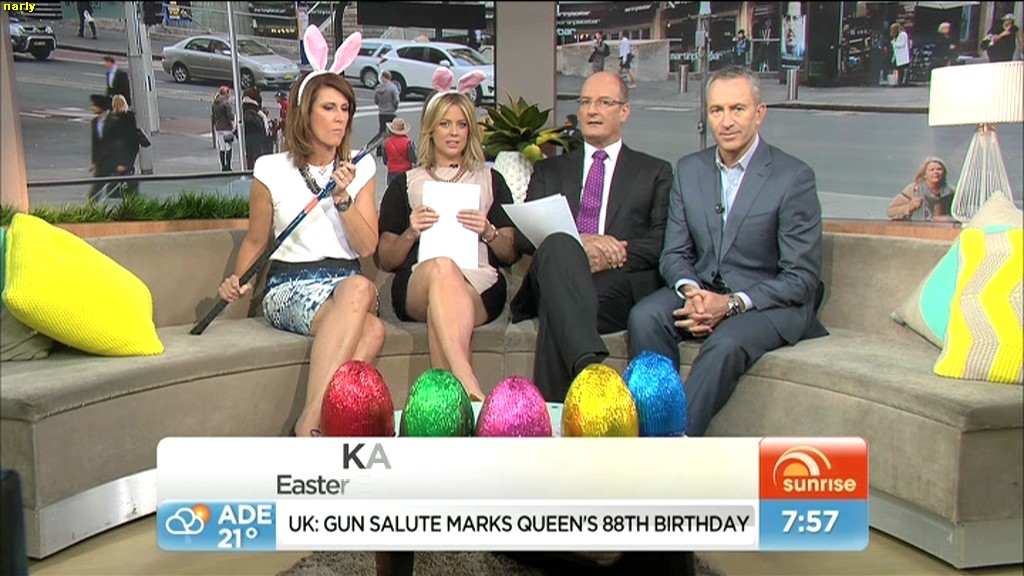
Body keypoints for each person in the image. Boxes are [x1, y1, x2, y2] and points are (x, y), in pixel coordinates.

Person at [628, 65, 827, 437]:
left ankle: (677, 441)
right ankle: (653, 423)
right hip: (704, 289)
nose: (727, 121)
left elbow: (801, 278)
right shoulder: (689, 170)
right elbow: (674, 253)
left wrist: (731, 304)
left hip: (769, 303)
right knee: (644, 317)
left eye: (738, 109)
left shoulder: (793, 177)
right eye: (717, 110)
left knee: (725, 343)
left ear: (759, 113)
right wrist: (693, 293)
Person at [217, 42, 384, 438]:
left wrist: (342, 197)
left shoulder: (360, 169)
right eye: (329, 108)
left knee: (366, 307)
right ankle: (318, 421)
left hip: (346, 283)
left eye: (345, 109)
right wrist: (238, 282)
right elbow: (256, 241)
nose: (340, 118)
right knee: (370, 325)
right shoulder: (271, 169)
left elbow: (367, 247)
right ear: (304, 113)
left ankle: (311, 422)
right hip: (289, 285)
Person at [510, 71, 673, 401]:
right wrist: (580, 243)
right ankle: (589, 368)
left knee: (560, 306)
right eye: (585, 102)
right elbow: (524, 237)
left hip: (615, 284)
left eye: (603, 102)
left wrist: (614, 253)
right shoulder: (550, 170)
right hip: (556, 274)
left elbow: (661, 239)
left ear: (624, 111)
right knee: (560, 244)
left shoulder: (654, 171)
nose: (592, 110)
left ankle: (555, 409)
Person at [377, 84, 518, 401]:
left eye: (461, 124)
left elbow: (509, 252)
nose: (454, 133)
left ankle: (451, 407)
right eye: (445, 124)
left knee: (441, 308)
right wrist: (411, 231)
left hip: (479, 283)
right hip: (419, 280)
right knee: (443, 267)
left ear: (470, 131)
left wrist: (489, 232)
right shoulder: (405, 184)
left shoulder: (491, 180)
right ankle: (467, 379)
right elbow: (386, 258)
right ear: (431, 129)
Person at [886, 157, 955, 222]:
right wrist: (909, 207)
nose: (936, 172)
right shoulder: (913, 189)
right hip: (916, 228)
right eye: (932, 170)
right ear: (924, 174)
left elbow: (959, 214)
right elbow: (890, 211)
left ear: (944, 173)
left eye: (939, 169)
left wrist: (949, 219)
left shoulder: (951, 191)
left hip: (943, 229)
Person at [105, 94, 141, 199]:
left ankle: (115, 192)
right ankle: (131, 193)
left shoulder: (111, 117)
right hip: (129, 149)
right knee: (128, 172)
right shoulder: (130, 116)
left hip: (116, 151)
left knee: (116, 172)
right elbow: (132, 135)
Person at [86, 94, 114, 204]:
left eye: (94, 105)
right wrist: (94, 162)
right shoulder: (94, 122)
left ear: (101, 106)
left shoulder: (113, 120)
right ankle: (91, 207)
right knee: (97, 187)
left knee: (118, 187)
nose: (92, 108)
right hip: (101, 162)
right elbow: (95, 144)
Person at [382, 116, 416, 186]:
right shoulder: (408, 142)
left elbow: (385, 160)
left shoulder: (386, 142)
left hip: (392, 171)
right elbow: (413, 159)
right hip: (405, 170)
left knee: (392, 189)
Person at [374, 71, 401, 158]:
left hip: (381, 113)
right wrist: (394, 107)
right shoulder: (393, 87)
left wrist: (381, 105)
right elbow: (396, 100)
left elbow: (376, 100)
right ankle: (391, 150)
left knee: (382, 131)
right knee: (392, 132)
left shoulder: (378, 88)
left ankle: (379, 150)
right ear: (389, 77)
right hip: (391, 112)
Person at [211, 86, 235, 171]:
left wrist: (214, 124)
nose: (229, 95)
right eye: (228, 93)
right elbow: (230, 116)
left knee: (222, 147)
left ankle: (223, 166)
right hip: (227, 128)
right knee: (228, 147)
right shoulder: (226, 104)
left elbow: (213, 116)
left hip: (219, 128)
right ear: (226, 94)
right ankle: (228, 166)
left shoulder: (214, 103)